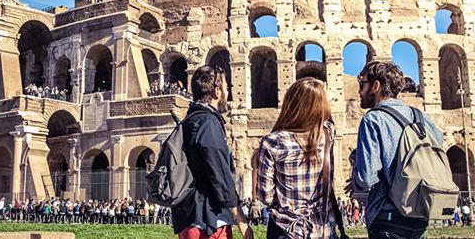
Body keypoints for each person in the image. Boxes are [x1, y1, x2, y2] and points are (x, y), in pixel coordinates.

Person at [348, 61, 444, 239]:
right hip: (420, 216)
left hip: (388, 217)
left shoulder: (373, 119)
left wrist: (356, 168)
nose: (359, 92)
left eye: (362, 85)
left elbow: (366, 178)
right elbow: (439, 145)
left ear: (376, 86)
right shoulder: (419, 115)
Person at [171, 65, 253, 239]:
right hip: (208, 220)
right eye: (227, 88)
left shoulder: (189, 120)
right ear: (217, 91)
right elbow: (220, 176)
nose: (228, 93)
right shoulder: (208, 122)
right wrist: (241, 220)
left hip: (188, 217)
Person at [257, 77, 337, 238]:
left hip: (286, 229)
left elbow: (265, 195)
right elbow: (328, 120)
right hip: (322, 230)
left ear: (290, 104)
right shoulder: (328, 134)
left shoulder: (272, 142)